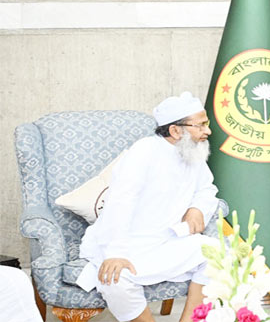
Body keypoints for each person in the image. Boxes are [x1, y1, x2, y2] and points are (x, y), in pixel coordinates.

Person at [76, 92, 220, 322]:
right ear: (175, 130)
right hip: (129, 242)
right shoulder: (144, 152)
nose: (208, 131)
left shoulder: (192, 150)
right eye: (200, 125)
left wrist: (197, 209)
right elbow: (120, 203)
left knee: (218, 254)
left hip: (168, 240)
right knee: (115, 280)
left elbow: (206, 189)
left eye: (206, 123)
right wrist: (115, 253)